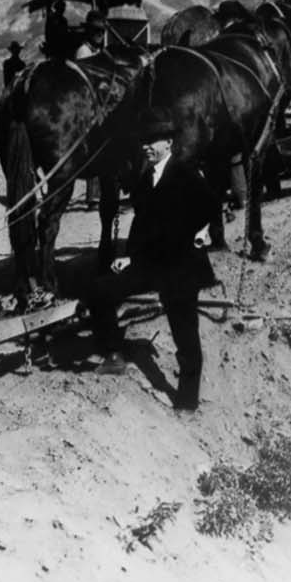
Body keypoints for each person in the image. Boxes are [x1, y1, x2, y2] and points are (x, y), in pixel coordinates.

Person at [85, 112, 217, 412]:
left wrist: (190, 236)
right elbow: (141, 224)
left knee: (184, 332)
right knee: (100, 290)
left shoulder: (186, 172)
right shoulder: (146, 179)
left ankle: (186, 401)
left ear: (168, 142)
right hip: (151, 264)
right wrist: (129, 256)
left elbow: (210, 206)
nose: (146, 147)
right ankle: (114, 355)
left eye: (152, 141)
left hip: (182, 266)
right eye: (143, 142)